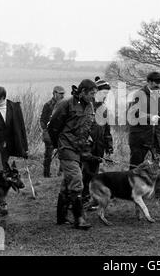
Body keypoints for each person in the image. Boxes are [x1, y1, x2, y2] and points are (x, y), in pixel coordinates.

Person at [48, 79, 97, 230]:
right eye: (91, 93)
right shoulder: (66, 104)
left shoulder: (89, 105)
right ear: (82, 92)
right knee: (76, 180)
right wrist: (60, 145)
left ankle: (61, 217)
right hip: (66, 147)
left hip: (80, 148)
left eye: (95, 93)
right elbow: (53, 127)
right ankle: (79, 219)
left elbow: (88, 125)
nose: (93, 96)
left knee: (67, 182)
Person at [81, 77, 113, 206]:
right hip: (86, 147)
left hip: (99, 147)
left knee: (94, 174)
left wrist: (109, 147)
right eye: (103, 93)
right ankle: (82, 198)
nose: (105, 96)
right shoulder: (87, 107)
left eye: (107, 94)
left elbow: (107, 131)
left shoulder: (104, 109)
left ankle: (91, 198)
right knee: (86, 174)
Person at [40, 86, 65, 177]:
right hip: (50, 134)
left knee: (63, 154)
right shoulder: (48, 105)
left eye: (63, 94)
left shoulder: (64, 105)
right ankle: (46, 174)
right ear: (54, 93)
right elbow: (42, 120)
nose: (62, 95)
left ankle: (61, 173)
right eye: (60, 93)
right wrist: (45, 131)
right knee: (48, 155)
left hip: (61, 134)